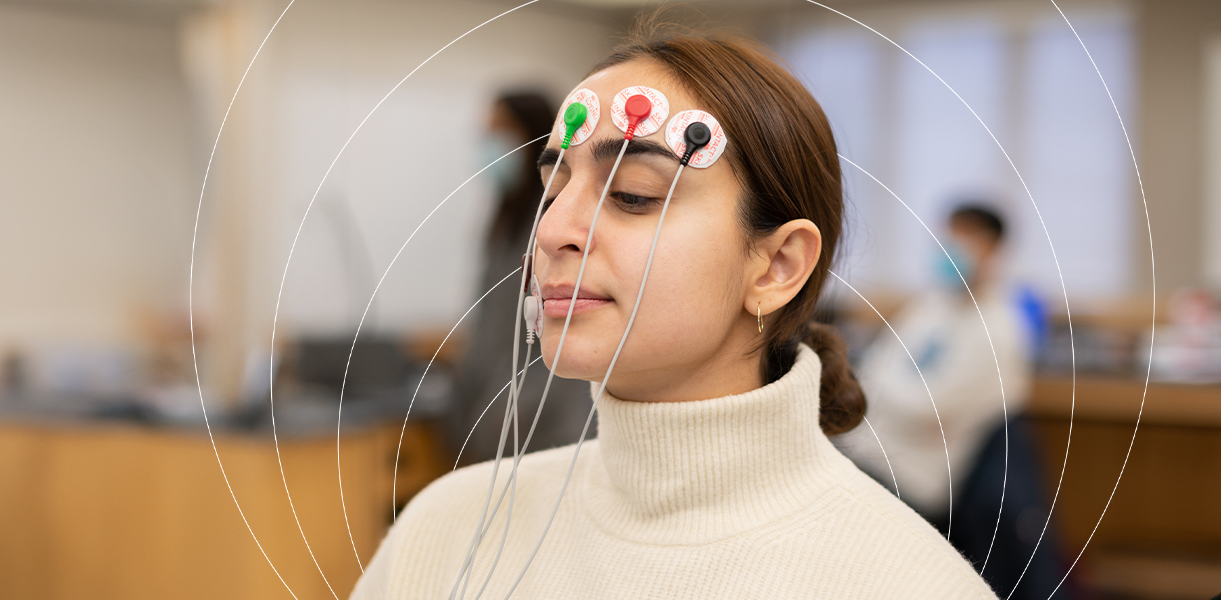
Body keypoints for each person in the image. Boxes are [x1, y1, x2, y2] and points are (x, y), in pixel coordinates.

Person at [351, 32, 992, 598]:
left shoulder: (911, 583)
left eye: (632, 194)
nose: (551, 230)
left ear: (776, 266)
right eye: (553, 189)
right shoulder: (441, 533)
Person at [835, 204, 1068, 597]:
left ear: (993, 249)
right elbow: (871, 370)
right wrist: (888, 388)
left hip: (909, 478)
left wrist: (883, 388)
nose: (950, 247)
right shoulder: (932, 305)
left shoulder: (1001, 330)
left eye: (965, 238)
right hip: (862, 450)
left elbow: (925, 409)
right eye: (949, 235)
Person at [444, 91, 595, 466]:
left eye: (501, 132)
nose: (491, 146)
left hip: (543, 424)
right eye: (487, 135)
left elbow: (559, 336)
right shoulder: (506, 217)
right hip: (495, 411)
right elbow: (492, 323)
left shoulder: (555, 222)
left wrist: (506, 415)